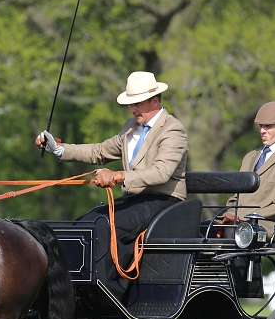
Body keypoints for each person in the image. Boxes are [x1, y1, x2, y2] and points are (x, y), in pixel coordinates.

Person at [35, 71, 188, 271]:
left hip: (165, 201)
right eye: (131, 104)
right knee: (84, 224)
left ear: (155, 101)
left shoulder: (173, 130)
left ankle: (111, 288)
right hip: (135, 201)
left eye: (137, 103)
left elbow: (161, 172)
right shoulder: (131, 127)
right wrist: (58, 149)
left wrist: (118, 176)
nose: (132, 109)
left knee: (102, 227)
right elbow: (99, 151)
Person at [218, 101, 275, 243]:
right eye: (261, 126)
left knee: (236, 231)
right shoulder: (250, 157)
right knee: (201, 229)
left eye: (268, 126)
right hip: (240, 222)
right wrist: (229, 215)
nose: (262, 130)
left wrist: (243, 216)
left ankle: (236, 265)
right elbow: (236, 197)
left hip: (271, 224)